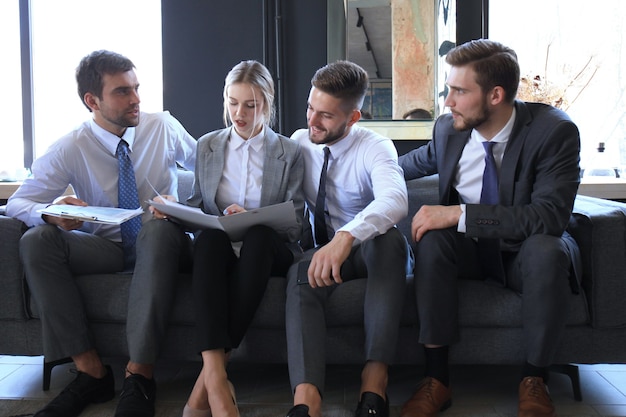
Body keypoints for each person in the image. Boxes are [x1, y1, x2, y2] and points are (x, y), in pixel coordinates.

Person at [6, 50, 197, 417]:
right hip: (106, 247)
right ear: (92, 101)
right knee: (36, 240)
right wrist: (52, 213)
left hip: (163, 243)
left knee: (156, 230)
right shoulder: (71, 146)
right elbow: (19, 203)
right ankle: (90, 372)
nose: (137, 99)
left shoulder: (162, 126)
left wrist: (182, 203)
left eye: (137, 88)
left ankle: (140, 376)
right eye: (123, 91)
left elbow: (210, 170)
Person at [398, 39, 581, 417]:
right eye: (449, 89)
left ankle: (534, 378)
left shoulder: (554, 132)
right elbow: (400, 167)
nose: (448, 101)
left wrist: (459, 214)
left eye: (459, 91)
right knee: (431, 240)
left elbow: (548, 216)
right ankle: (436, 379)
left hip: (522, 255)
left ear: (495, 95)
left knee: (548, 249)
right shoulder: (449, 130)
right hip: (467, 254)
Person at [176, 60, 305, 417]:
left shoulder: (288, 151)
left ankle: (208, 383)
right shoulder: (207, 146)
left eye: (251, 104)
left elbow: (295, 224)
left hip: (267, 249)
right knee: (208, 241)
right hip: (220, 245)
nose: (240, 113)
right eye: (233, 102)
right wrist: (171, 208)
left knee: (261, 235)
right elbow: (197, 205)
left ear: (267, 103)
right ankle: (217, 381)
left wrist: (251, 220)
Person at [284, 60, 409, 417]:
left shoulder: (376, 147)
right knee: (299, 273)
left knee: (389, 241)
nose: (312, 121)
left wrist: (347, 236)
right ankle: (307, 399)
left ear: (353, 118)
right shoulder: (298, 143)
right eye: (310, 107)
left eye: (325, 115)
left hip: (371, 252)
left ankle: (374, 383)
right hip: (324, 252)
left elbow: (396, 199)